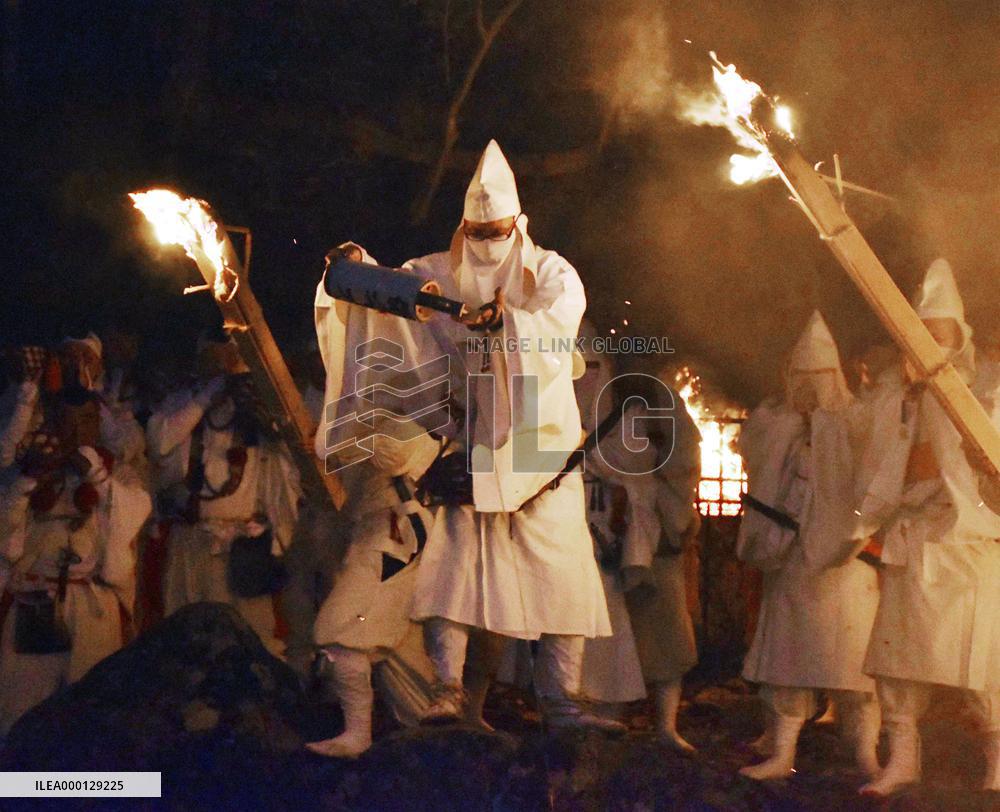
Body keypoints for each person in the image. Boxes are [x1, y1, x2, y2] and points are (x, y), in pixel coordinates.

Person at [403, 140, 613, 730]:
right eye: (477, 233)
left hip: (544, 451)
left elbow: (556, 321)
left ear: (517, 224)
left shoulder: (551, 271)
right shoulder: (440, 271)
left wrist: (510, 321)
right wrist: (352, 265)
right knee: (455, 567)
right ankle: (446, 688)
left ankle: (562, 699)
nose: (486, 244)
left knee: (563, 569)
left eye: (496, 232)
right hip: (475, 448)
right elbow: (391, 291)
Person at [853, 260, 1000, 795]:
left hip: (969, 543)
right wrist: (907, 403)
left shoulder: (986, 393)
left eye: (940, 336)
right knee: (897, 663)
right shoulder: (895, 397)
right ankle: (903, 763)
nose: (930, 346)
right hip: (913, 541)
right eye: (922, 335)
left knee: (984, 665)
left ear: (960, 338)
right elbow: (873, 467)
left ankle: (998, 764)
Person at [304, 242, 443, 757]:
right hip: (378, 527)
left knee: (341, 630)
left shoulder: (426, 400)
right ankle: (429, 737)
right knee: (396, 647)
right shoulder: (383, 395)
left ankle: (358, 736)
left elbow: (391, 455)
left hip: (399, 533)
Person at [738, 311, 880, 781]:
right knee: (788, 664)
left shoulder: (856, 420)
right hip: (792, 559)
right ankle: (782, 754)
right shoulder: (774, 421)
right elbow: (760, 453)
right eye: (802, 376)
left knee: (856, 673)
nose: (810, 385)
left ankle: (867, 755)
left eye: (818, 376)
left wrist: (826, 428)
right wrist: (794, 428)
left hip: (846, 563)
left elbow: (874, 468)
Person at [0, 385, 147, 732]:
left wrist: (98, 477)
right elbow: (8, 540)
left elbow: (134, 512)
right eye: (68, 419)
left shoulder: (118, 474)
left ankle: (87, 786)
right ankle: (27, 786)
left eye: (86, 420)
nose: (77, 429)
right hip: (35, 602)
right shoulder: (30, 468)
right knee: (23, 707)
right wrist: (26, 482)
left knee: (91, 713)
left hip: (91, 603)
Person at [146, 329, 300, 655]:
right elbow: (160, 444)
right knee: (186, 638)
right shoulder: (183, 402)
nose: (220, 366)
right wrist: (206, 397)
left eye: (227, 357)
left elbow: (290, 457)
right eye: (213, 358)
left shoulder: (254, 408)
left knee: (250, 640)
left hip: (241, 548)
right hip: (190, 542)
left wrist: (255, 404)